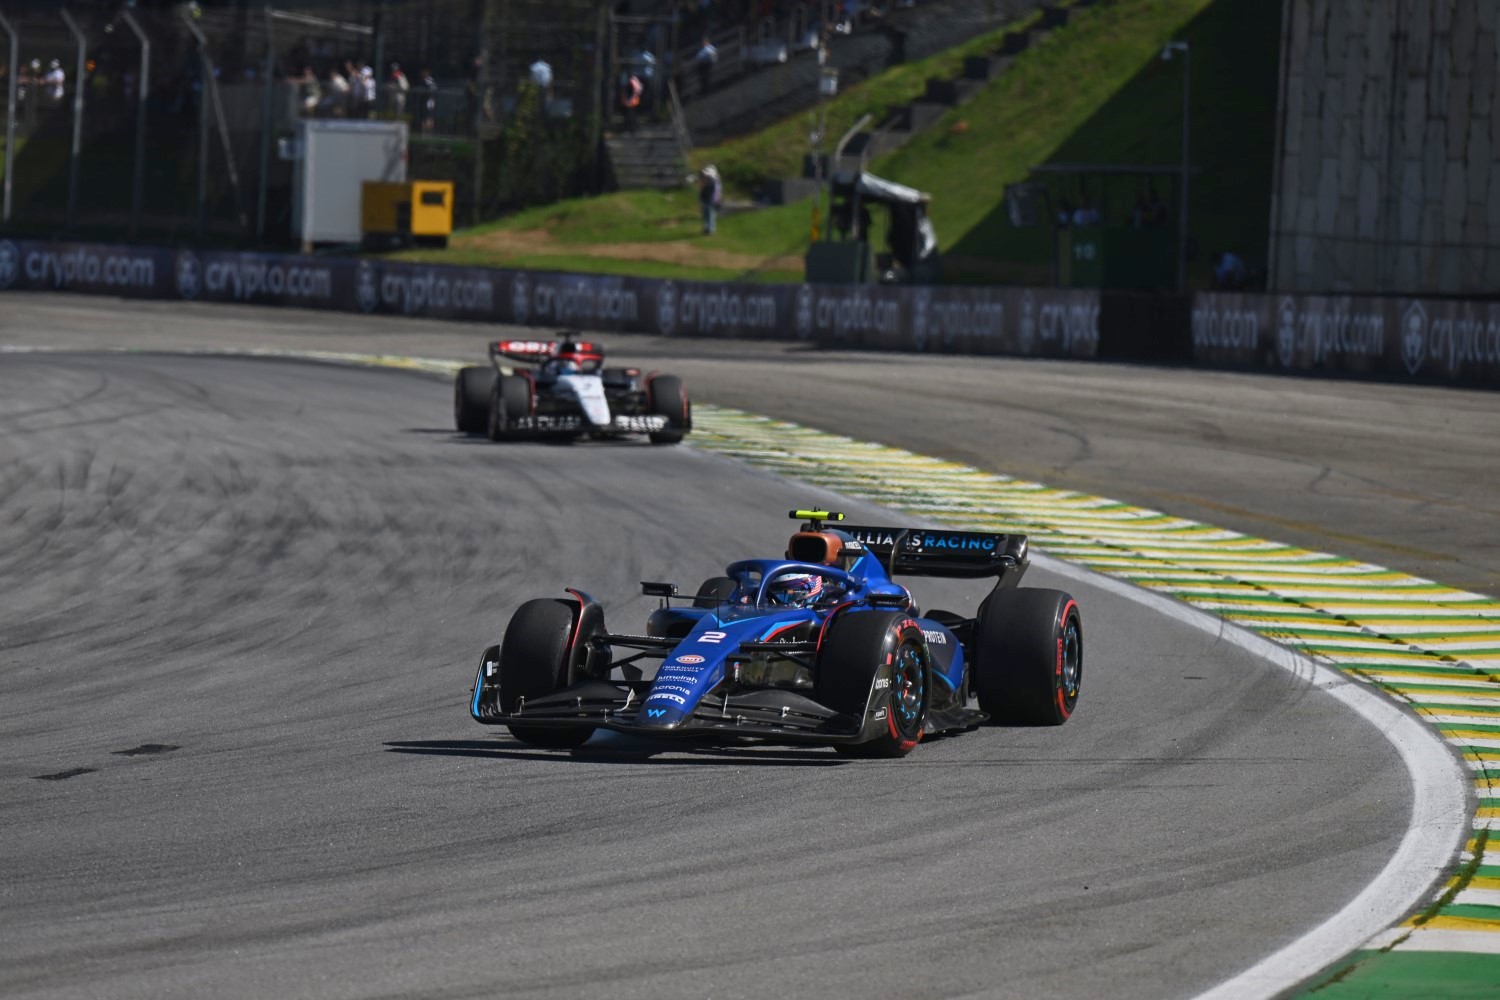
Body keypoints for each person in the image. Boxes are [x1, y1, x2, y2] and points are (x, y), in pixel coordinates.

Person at [698, 164, 722, 235]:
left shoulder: (714, 181)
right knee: (705, 215)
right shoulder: (707, 180)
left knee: (710, 215)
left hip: (711, 201)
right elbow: (702, 189)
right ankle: (706, 228)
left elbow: (716, 192)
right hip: (705, 199)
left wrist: (715, 200)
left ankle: (710, 230)